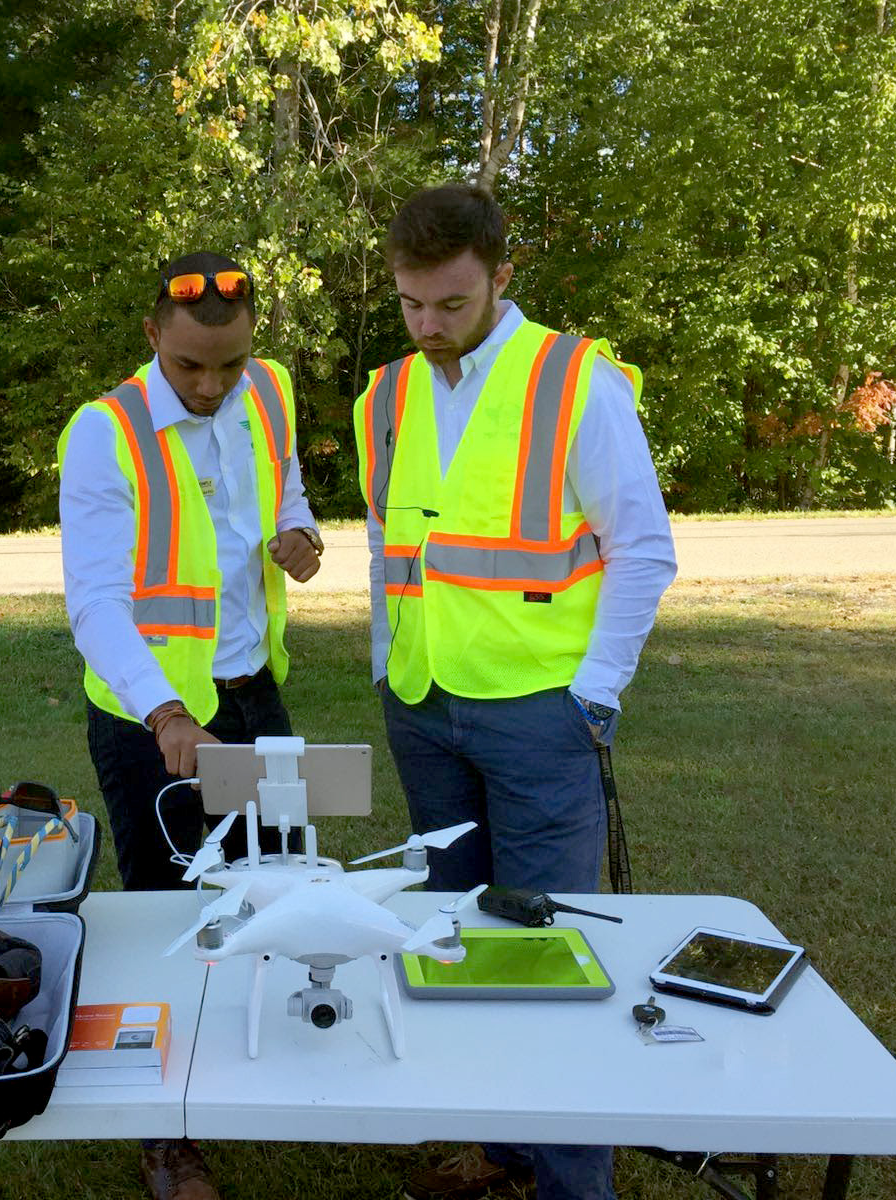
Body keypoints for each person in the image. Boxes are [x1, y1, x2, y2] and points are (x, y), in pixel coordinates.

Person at [353, 185, 677, 1200]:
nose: (428, 325)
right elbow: (385, 542)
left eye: (449, 303)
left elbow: (643, 551)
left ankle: (575, 1187)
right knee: (454, 937)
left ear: (501, 273)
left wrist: (593, 695)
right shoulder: (385, 395)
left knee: (548, 956)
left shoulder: (573, 380)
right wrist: (381, 659)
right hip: (423, 704)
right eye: (410, 304)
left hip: (541, 710)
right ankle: (501, 1155)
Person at [58, 249, 322, 1200]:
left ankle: (281, 1067)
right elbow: (93, 602)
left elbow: (282, 482)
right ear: (151, 338)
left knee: (285, 882)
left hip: (254, 698)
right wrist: (165, 711)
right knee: (174, 916)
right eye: (189, 368)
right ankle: (169, 1135)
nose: (212, 386)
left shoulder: (272, 392)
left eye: (230, 365)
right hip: (153, 721)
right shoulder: (104, 434)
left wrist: (302, 534)